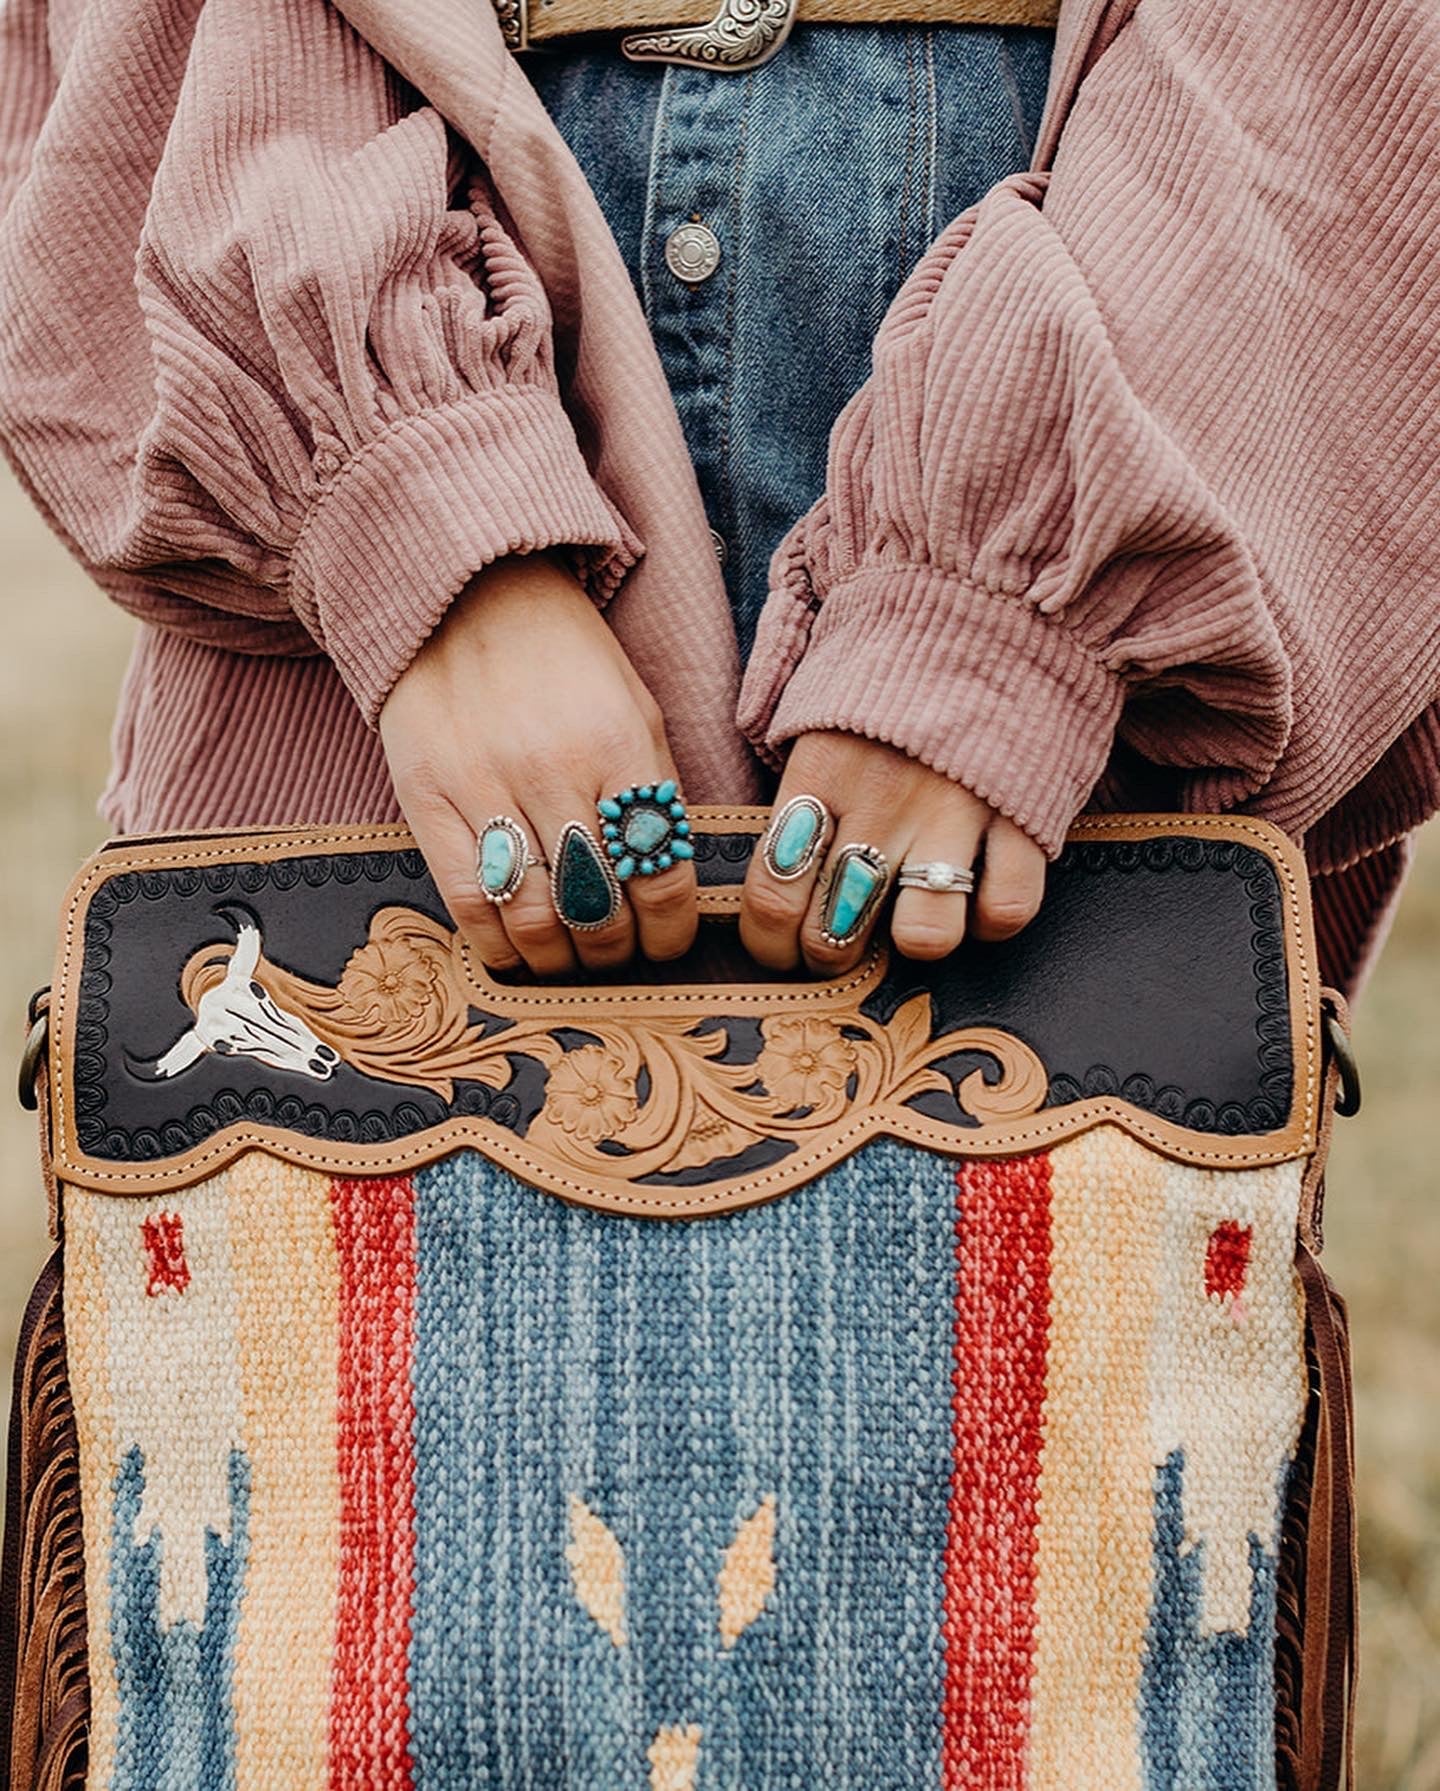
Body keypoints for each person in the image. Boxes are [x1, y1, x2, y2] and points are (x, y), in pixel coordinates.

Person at [0, 0, 1437, 1000]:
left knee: (1064, 1380)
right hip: (430, 175)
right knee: (336, 1361)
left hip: (1077, 202)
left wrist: (1017, 598)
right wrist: (414, 505)